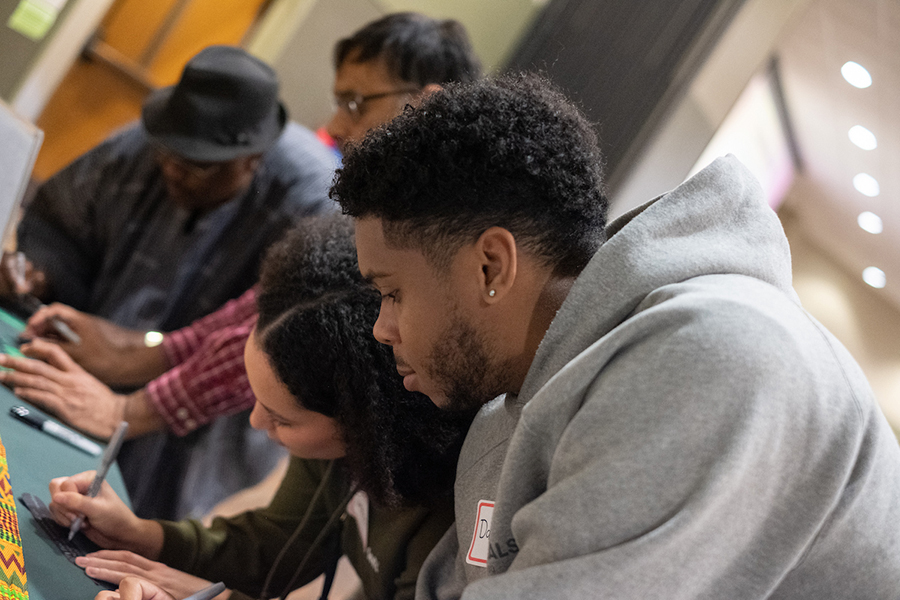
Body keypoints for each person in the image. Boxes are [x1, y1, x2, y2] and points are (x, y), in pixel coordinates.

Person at [328, 73, 900, 598]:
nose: (382, 327)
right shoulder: (504, 413)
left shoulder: (707, 353)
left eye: (393, 292)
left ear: (491, 267)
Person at [0, 14, 482, 442]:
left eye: (355, 103)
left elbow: (283, 328)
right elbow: (261, 309)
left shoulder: (332, 199)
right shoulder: (140, 143)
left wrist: (130, 403)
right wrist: (142, 352)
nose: (334, 126)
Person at [49, 216, 472, 600]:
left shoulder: (449, 525)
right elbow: (277, 542)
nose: (255, 421)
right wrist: (143, 535)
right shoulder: (334, 448)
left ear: (366, 423)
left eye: (282, 418)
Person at [0, 44, 339, 520]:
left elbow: (271, 338)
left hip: (210, 423)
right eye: (167, 155)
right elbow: (61, 221)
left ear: (252, 159)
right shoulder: (148, 141)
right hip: (93, 369)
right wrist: (42, 270)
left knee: (135, 524)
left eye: (197, 165)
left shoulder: (316, 206)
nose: (171, 170)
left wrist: (139, 367)